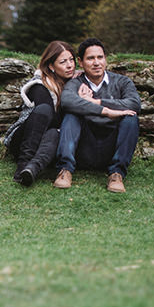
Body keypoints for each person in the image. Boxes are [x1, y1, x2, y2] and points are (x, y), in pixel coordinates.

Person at [53, 38, 140, 192]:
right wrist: (107, 111)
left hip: (111, 145)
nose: (96, 63)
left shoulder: (122, 82)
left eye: (100, 57)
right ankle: (65, 170)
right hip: (84, 146)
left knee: (130, 117)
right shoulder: (75, 83)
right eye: (90, 58)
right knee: (71, 114)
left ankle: (116, 174)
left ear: (105, 59)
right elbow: (67, 101)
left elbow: (134, 103)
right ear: (80, 62)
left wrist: (96, 101)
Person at [3, 40, 77, 187]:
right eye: (63, 62)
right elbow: (51, 120)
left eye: (71, 60)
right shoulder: (40, 85)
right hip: (25, 139)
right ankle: (23, 164)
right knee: (45, 110)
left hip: (51, 140)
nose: (70, 65)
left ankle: (31, 170)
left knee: (55, 133)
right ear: (51, 66)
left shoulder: (76, 83)